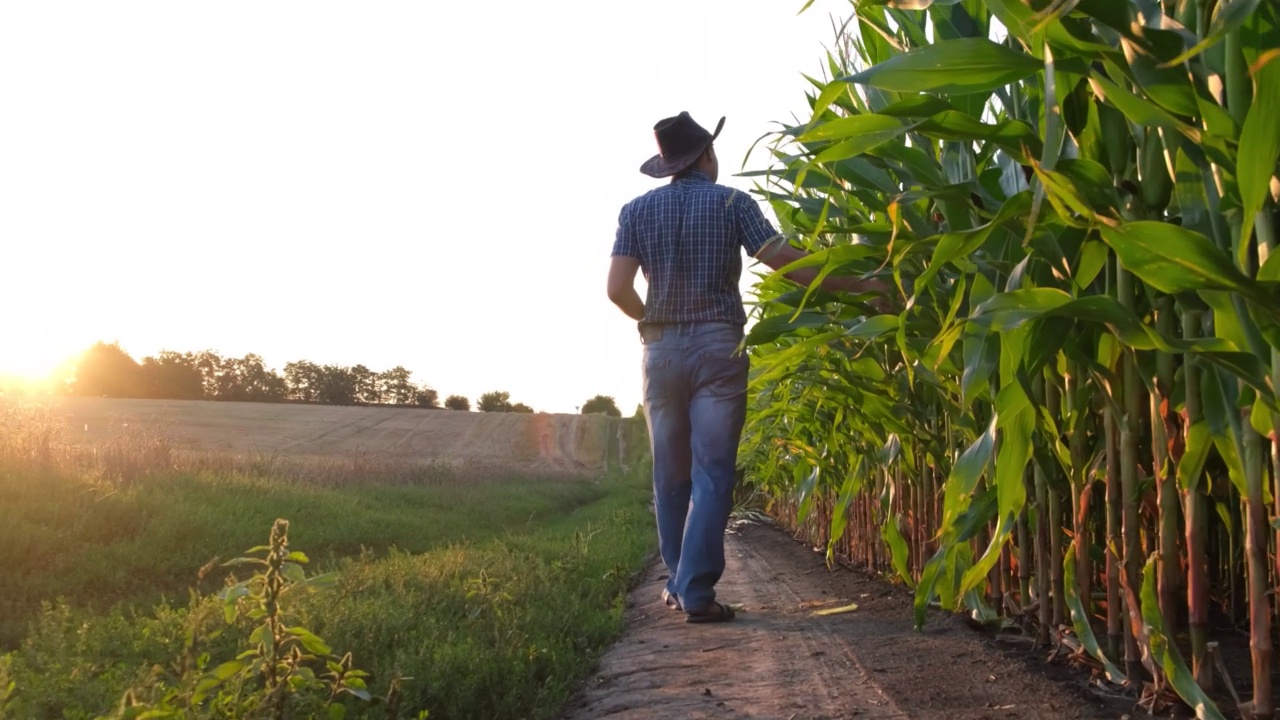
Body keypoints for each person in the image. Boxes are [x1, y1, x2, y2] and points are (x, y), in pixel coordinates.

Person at [607, 111, 889, 623]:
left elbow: (617, 290)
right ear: (707, 156)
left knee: (670, 476)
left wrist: (652, 320)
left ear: (668, 164)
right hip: (719, 349)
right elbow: (793, 264)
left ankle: (680, 585)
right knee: (713, 473)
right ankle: (693, 591)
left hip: (661, 350)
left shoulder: (635, 211)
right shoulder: (733, 202)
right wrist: (866, 287)